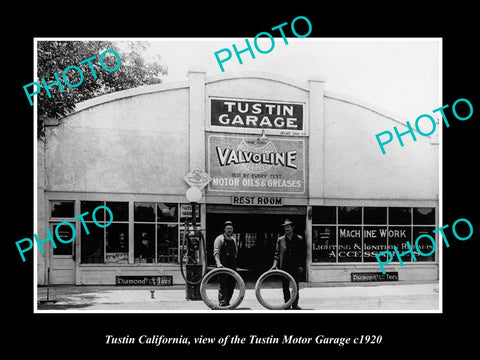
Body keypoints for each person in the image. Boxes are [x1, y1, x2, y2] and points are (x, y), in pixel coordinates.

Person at [271, 219, 305, 309]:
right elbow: (277, 253)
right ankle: (287, 304)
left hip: (295, 267)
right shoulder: (280, 239)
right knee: (285, 287)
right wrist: (275, 264)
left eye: (288, 227)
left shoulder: (299, 238)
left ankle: (295, 304)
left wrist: (301, 266)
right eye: (285, 227)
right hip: (284, 267)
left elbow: (302, 254)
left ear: (292, 228)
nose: (286, 229)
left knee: (295, 287)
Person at [213, 221, 238, 307]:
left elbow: (236, 253)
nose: (229, 230)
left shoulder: (234, 239)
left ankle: (227, 302)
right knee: (223, 284)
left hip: (232, 266)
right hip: (223, 265)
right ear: (224, 229)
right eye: (228, 228)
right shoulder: (220, 238)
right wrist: (218, 263)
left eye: (231, 228)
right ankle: (222, 303)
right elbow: (216, 252)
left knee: (232, 284)